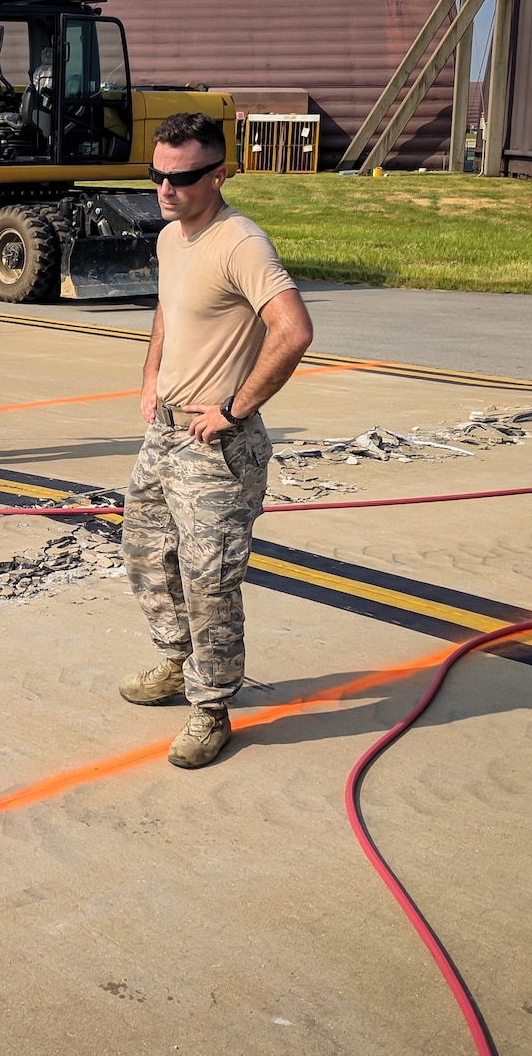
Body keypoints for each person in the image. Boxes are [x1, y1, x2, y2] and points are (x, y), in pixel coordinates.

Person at [120, 111, 314, 769]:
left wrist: (235, 405)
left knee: (211, 580)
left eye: (183, 178)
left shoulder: (242, 243)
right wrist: (150, 376)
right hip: (166, 432)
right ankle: (177, 663)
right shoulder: (173, 238)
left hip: (215, 447)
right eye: (158, 177)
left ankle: (211, 705)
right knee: (147, 553)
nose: (166, 190)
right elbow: (167, 310)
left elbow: (294, 330)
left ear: (219, 174)